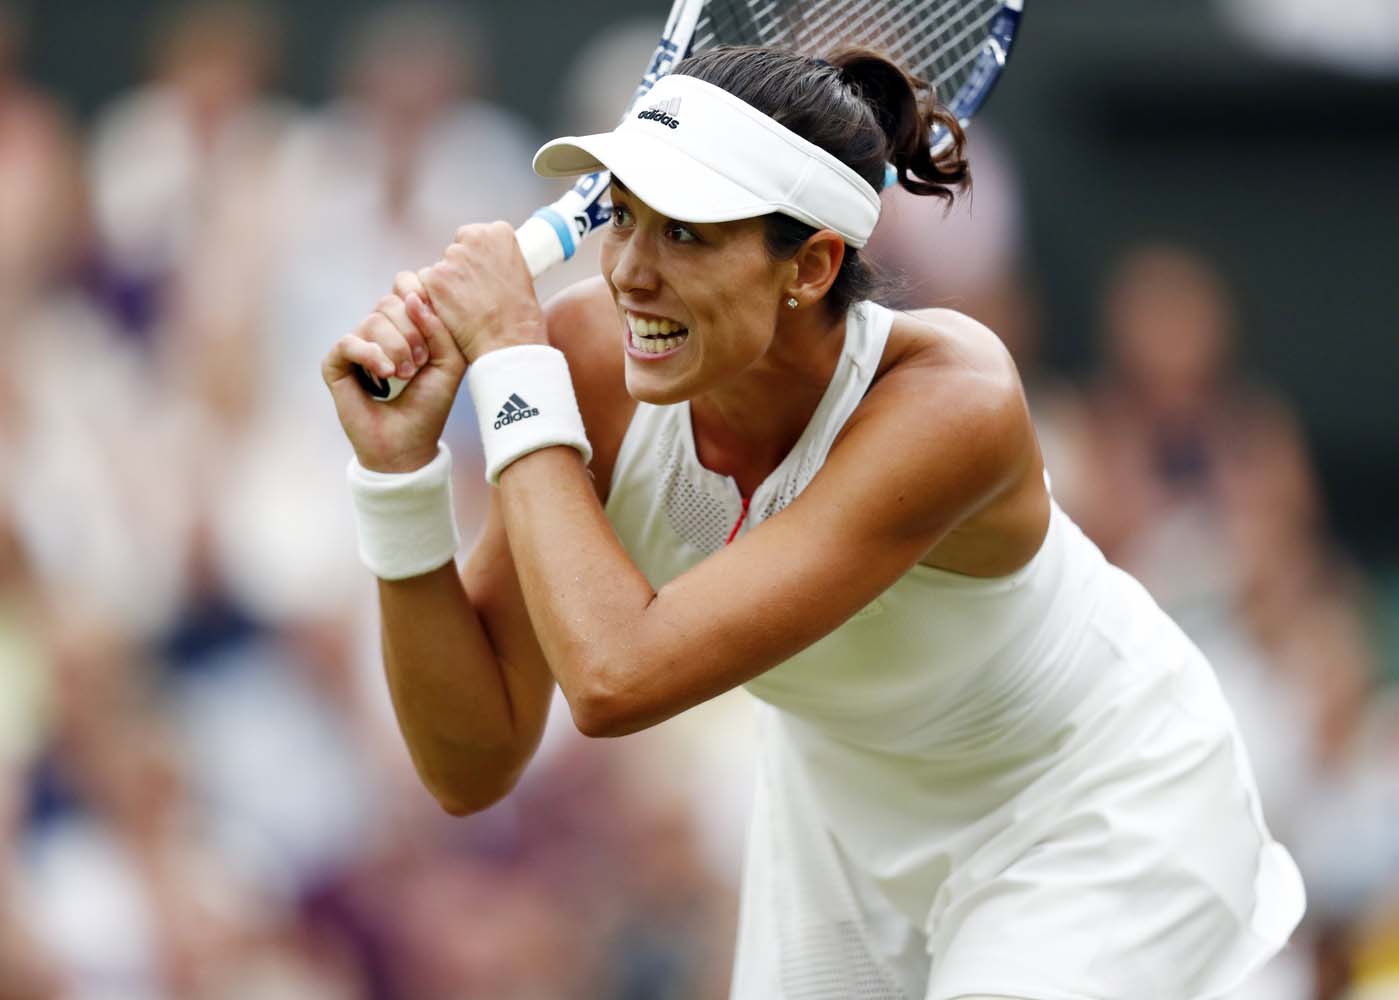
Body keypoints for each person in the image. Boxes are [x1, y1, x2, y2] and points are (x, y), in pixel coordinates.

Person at [323, 45, 1305, 999]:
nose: (627, 271)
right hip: (840, 812)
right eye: (622, 216)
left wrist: (506, 366)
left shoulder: (951, 400)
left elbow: (614, 676)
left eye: (685, 232)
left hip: (1090, 803)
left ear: (810, 266)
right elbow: (472, 759)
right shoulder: (581, 360)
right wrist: (398, 476)